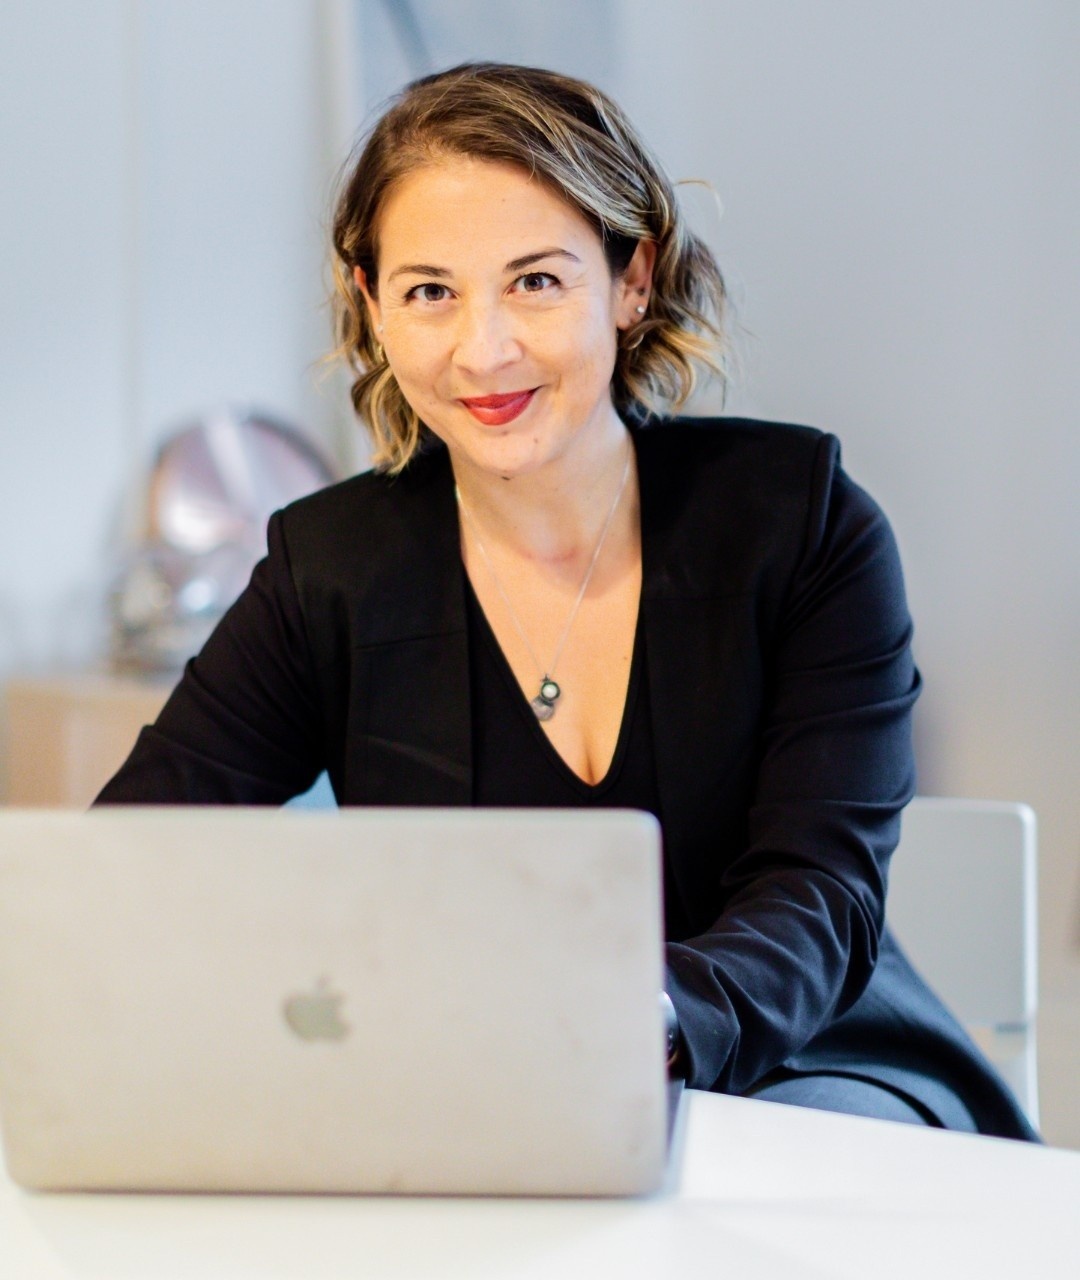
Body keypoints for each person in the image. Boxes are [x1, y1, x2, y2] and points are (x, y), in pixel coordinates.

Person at [97, 62, 1037, 1140]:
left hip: (812, 1069)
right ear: (372, 304)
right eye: (431, 291)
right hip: (494, 1097)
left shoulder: (804, 523)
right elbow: (130, 862)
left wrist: (636, 1024)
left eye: (536, 281)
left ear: (632, 280)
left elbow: (819, 896)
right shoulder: (329, 567)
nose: (484, 349)